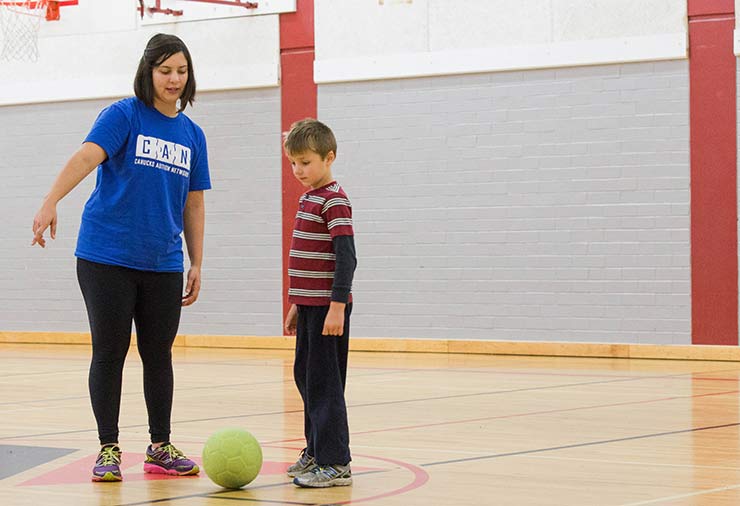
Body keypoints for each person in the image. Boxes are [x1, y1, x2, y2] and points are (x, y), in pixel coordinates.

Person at [30, 33, 210, 482]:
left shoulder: (192, 134)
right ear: (147, 71)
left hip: (163, 263)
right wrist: (51, 201)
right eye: (165, 70)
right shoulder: (124, 115)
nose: (173, 79)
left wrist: (196, 262)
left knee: (158, 355)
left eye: (181, 71)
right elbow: (87, 157)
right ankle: (108, 448)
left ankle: (159, 447)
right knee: (109, 352)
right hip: (105, 257)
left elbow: (194, 203)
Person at [282, 118, 357, 488]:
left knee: (326, 384)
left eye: (306, 162)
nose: (299, 170)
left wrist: (337, 306)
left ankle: (336, 462)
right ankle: (315, 450)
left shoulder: (334, 200)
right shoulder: (308, 197)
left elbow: (346, 258)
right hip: (311, 307)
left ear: (329, 157)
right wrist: (298, 303)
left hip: (330, 311)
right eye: (294, 163)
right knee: (307, 379)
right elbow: (310, 259)